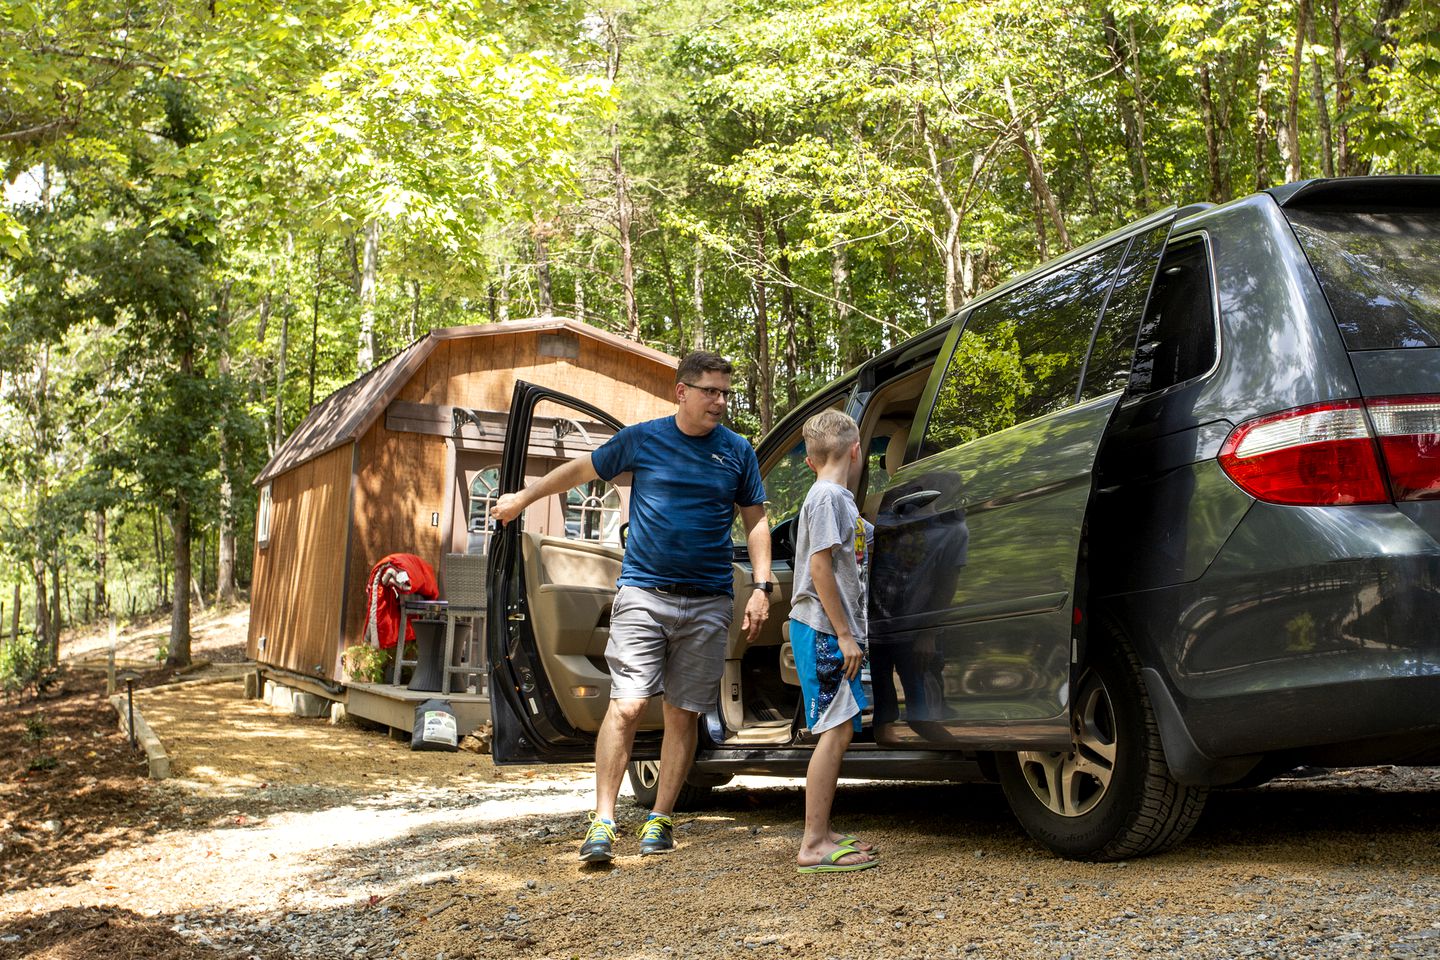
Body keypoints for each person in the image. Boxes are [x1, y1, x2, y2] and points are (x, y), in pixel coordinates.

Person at [491, 351, 772, 862]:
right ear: (681, 392)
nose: (721, 401)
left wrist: (762, 585)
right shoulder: (643, 439)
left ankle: (659, 819)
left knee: (683, 714)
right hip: (644, 593)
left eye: (726, 392)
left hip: (709, 601)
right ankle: (602, 822)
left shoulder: (738, 452)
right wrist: (522, 499)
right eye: (710, 390)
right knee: (626, 705)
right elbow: (580, 470)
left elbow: (755, 520)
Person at [789, 409, 879, 874]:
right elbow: (820, 568)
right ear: (856, 450)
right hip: (824, 629)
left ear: (809, 460)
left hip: (832, 629)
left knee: (839, 728)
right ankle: (812, 844)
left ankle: (823, 833)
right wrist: (844, 634)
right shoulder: (825, 498)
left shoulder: (838, 500)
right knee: (834, 730)